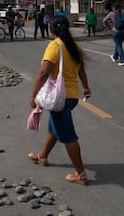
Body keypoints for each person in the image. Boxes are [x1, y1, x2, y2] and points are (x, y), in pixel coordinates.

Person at [27, 16, 91, 185]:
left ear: (52, 30)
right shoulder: (74, 46)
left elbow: (44, 72)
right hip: (71, 97)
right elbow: (81, 70)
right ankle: (43, 156)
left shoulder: (55, 46)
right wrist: (85, 87)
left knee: (68, 135)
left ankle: (81, 174)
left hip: (59, 99)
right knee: (54, 128)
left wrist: (33, 94)